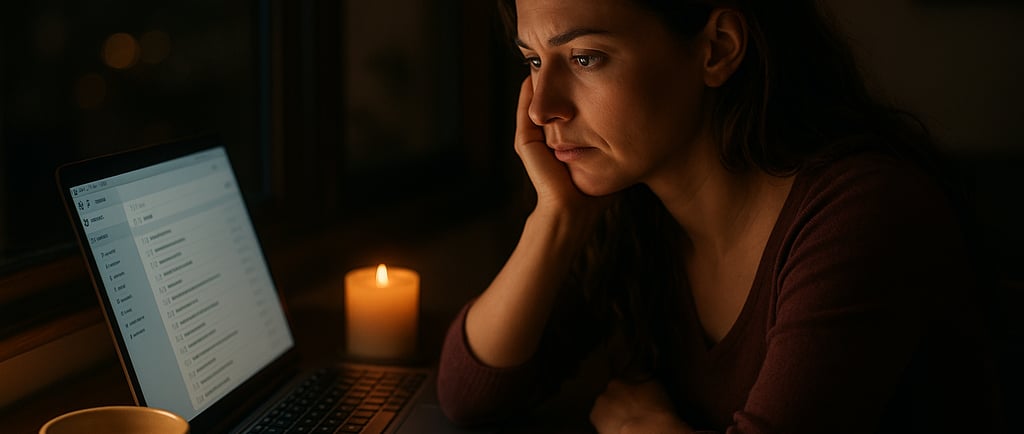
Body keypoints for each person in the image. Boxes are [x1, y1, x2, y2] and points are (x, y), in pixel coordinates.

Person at [437, 0, 1002, 433]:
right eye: (533, 61)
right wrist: (554, 220)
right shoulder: (629, 211)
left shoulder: (861, 214)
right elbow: (469, 396)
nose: (540, 106)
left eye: (585, 57)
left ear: (717, 49)